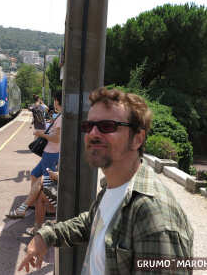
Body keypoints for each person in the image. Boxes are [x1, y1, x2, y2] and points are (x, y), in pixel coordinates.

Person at [18, 87, 194, 274]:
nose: (93, 134)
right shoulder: (114, 187)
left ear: (137, 139)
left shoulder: (153, 216)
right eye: (88, 126)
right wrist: (45, 236)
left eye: (107, 126)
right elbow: (93, 222)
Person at [6, 91, 62, 219]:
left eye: (55, 100)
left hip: (52, 154)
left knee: (47, 185)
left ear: (58, 101)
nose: (53, 103)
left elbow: (56, 139)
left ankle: (50, 209)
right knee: (34, 174)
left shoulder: (61, 118)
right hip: (48, 153)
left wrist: (40, 134)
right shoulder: (58, 116)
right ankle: (33, 201)